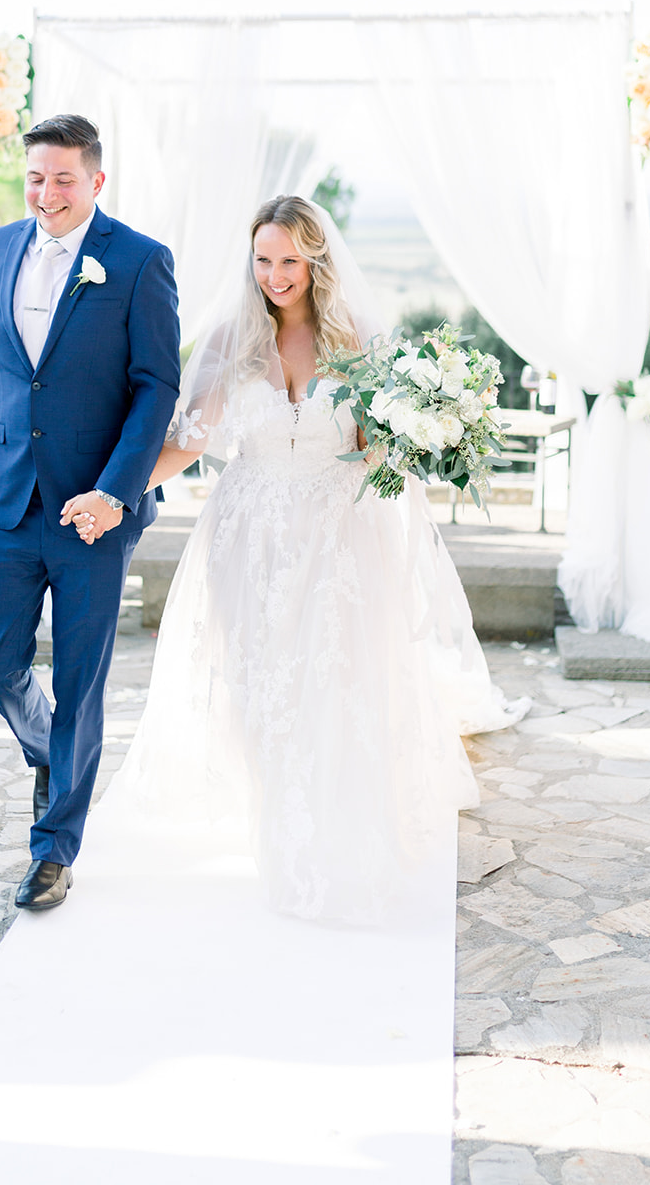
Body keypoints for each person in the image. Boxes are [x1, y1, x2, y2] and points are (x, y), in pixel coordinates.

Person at [126, 194, 529, 925]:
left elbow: (382, 448)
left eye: (289, 260)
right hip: (247, 536)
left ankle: (327, 832)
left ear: (315, 261)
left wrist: (425, 431)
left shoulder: (361, 342)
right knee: (258, 681)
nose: (275, 275)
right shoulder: (226, 340)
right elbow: (186, 444)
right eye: (262, 260)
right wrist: (114, 495)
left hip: (338, 536)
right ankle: (273, 828)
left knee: (332, 677)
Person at [0, 114, 180, 913]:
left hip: (92, 511)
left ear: (96, 181)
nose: (47, 193)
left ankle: (54, 849)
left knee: (80, 679)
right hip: (3, 500)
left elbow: (155, 389)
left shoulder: (138, 261)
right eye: (36, 177)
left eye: (64, 178)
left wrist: (115, 491)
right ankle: (49, 751)